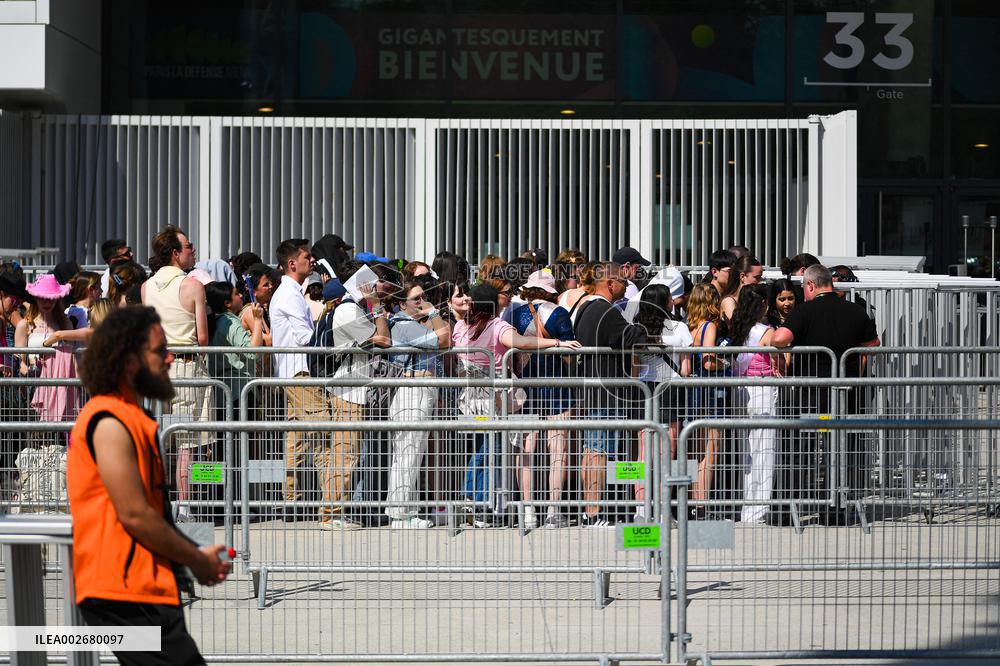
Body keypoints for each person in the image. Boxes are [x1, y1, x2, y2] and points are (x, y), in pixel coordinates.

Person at [68, 306, 230, 665]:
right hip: (123, 593)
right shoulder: (108, 421)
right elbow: (135, 514)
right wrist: (195, 559)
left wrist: (191, 558)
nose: (170, 358)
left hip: (141, 589)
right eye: (160, 351)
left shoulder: (130, 417)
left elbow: (150, 512)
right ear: (129, 362)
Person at [453, 283, 580, 527]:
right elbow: (522, 343)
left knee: (481, 448)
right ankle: (483, 509)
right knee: (495, 449)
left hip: (470, 399)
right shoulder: (497, 326)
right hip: (497, 399)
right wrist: (556, 343)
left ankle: (471, 497)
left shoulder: (460, 326)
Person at [772, 264, 880, 524]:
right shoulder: (856, 311)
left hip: (811, 393)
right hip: (846, 394)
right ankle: (837, 509)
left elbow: (779, 339)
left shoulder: (804, 311)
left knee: (801, 450)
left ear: (810, 285)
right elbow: (872, 345)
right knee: (842, 451)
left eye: (802, 288)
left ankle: (787, 510)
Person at [141, 225, 212, 523]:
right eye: (188, 246)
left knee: (159, 439)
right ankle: (184, 504)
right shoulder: (193, 285)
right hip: (185, 365)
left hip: (157, 367)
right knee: (187, 443)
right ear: (174, 253)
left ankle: (159, 499)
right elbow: (203, 338)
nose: (192, 250)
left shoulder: (146, 287)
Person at [271, 239, 341, 528]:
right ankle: (330, 512)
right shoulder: (289, 295)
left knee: (296, 439)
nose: (312, 261)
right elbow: (304, 338)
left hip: (292, 373)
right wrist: (327, 315)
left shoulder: (290, 293)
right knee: (323, 437)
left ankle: (292, 500)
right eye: (306, 257)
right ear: (292, 263)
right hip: (300, 373)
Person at [572, 262, 645, 527]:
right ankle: (594, 513)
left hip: (593, 393)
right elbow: (632, 337)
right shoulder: (605, 310)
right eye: (623, 283)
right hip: (606, 395)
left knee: (592, 451)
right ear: (610, 284)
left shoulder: (585, 308)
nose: (626, 288)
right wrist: (645, 324)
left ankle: (592, 511)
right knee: (599, 453)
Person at [511, 269, 577, 529]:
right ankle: (553, 510)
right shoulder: (559, 313)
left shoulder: (515, 314)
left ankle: (528, 511)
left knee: (526, 450)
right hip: (556, 386)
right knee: (557, 450)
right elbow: (570, 352)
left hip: (525, 387)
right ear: (551, 290)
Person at [384, 280, 449, 528]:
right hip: (412, 393)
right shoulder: (404, 325)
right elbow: (443, 339)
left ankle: (406, 512)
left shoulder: (410, 324)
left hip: (418, 391)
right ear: (402, 304)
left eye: (423, 297)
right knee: (408, 454)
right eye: (416, 299)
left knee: (411, 453)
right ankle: (400, 514)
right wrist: (433, 312)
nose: (422, 302)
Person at [632, 283, 692, 521]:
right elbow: (686, 369)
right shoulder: (680, 328)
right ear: (667, 302)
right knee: (669, 451)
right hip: (671, 389)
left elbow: (635, 368)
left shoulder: (636, 328)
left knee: (644, 454)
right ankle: (665, 510)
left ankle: (642, 509)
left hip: (644, 389)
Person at [730, 285, 783, 524]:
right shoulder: (765, 331)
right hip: (761, 389)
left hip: (740, 390)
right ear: (762, 304)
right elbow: (779, 360)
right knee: (764, 452)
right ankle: (757, 512)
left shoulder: (737, 329)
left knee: (747, 454)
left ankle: (747, 510)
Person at [685, 282, 728, 512]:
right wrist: (727, 362)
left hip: (692, 392)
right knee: (710, 451)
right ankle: (701, 504)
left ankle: (693, 502)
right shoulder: (709, 326)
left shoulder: (689, 326)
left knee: (695, 451)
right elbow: (709, 361)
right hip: (708, 392)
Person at [15, 274, 80, 423]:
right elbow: (20, 362)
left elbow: (71, 356)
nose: (47, 302)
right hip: (34, 386)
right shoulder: (25, 325)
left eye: (51, 298)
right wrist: (30, 371)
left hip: (60, 386)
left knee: (59, 434)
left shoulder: (65, 324)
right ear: (35, 298)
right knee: (36, 435)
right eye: (42, 297)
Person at [205, 281, 265, 406]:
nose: (241, 296)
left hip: (221, 393)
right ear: (227, 303)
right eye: (237, 294)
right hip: (239, 392)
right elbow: (253, 352)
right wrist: (258, 320)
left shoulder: (212, 322)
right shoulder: (230, 323)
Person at [719, 255, 763, 322]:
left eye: (760, 277)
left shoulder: (751, 299)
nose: (760, 281)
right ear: (742, 276)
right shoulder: (729, 301)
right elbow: (737, 327)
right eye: (757, 277)